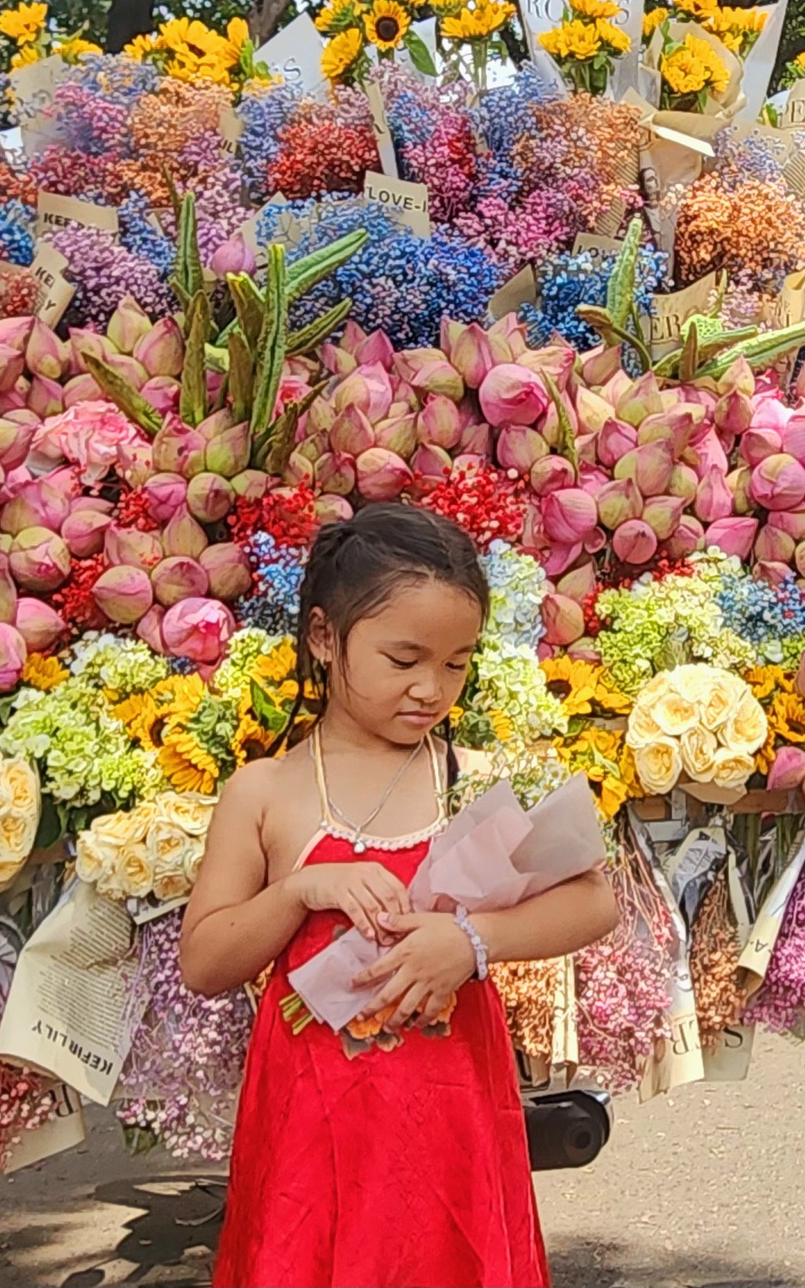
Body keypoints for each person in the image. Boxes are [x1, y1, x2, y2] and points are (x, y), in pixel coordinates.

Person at [179, 505, 619, 1288]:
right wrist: (301, 890)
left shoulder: (470, 777)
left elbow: (593, 902)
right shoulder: (267, 792)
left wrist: (472, 942)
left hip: (448, 1116)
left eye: (456, 664)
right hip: (311, 1125)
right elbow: (207, 960)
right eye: (404, 659)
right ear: (323, 637)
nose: (431, 689)